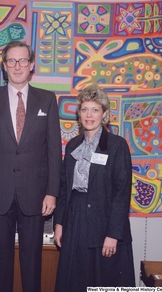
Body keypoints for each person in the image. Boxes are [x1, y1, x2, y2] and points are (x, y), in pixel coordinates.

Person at [0, 40, 62, 292]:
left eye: (23, 60)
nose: (17, 65)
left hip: (35, 195)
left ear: (32, 64)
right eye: (11, 60)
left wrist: (52, 192)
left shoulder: (47, 99)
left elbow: (55, 150)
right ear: (4, 66)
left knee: (32, 264)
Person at [54, 84, 135, 291]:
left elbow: (122, 192)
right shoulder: (72, 145)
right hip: (75, 221)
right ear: (79, 113)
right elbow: (64, 188)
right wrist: (59, 223)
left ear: (104, 114)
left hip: (104, 222)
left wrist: (113, 234)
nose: (89, 115)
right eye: (84, 109)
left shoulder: (117, 145)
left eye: (95, 110)